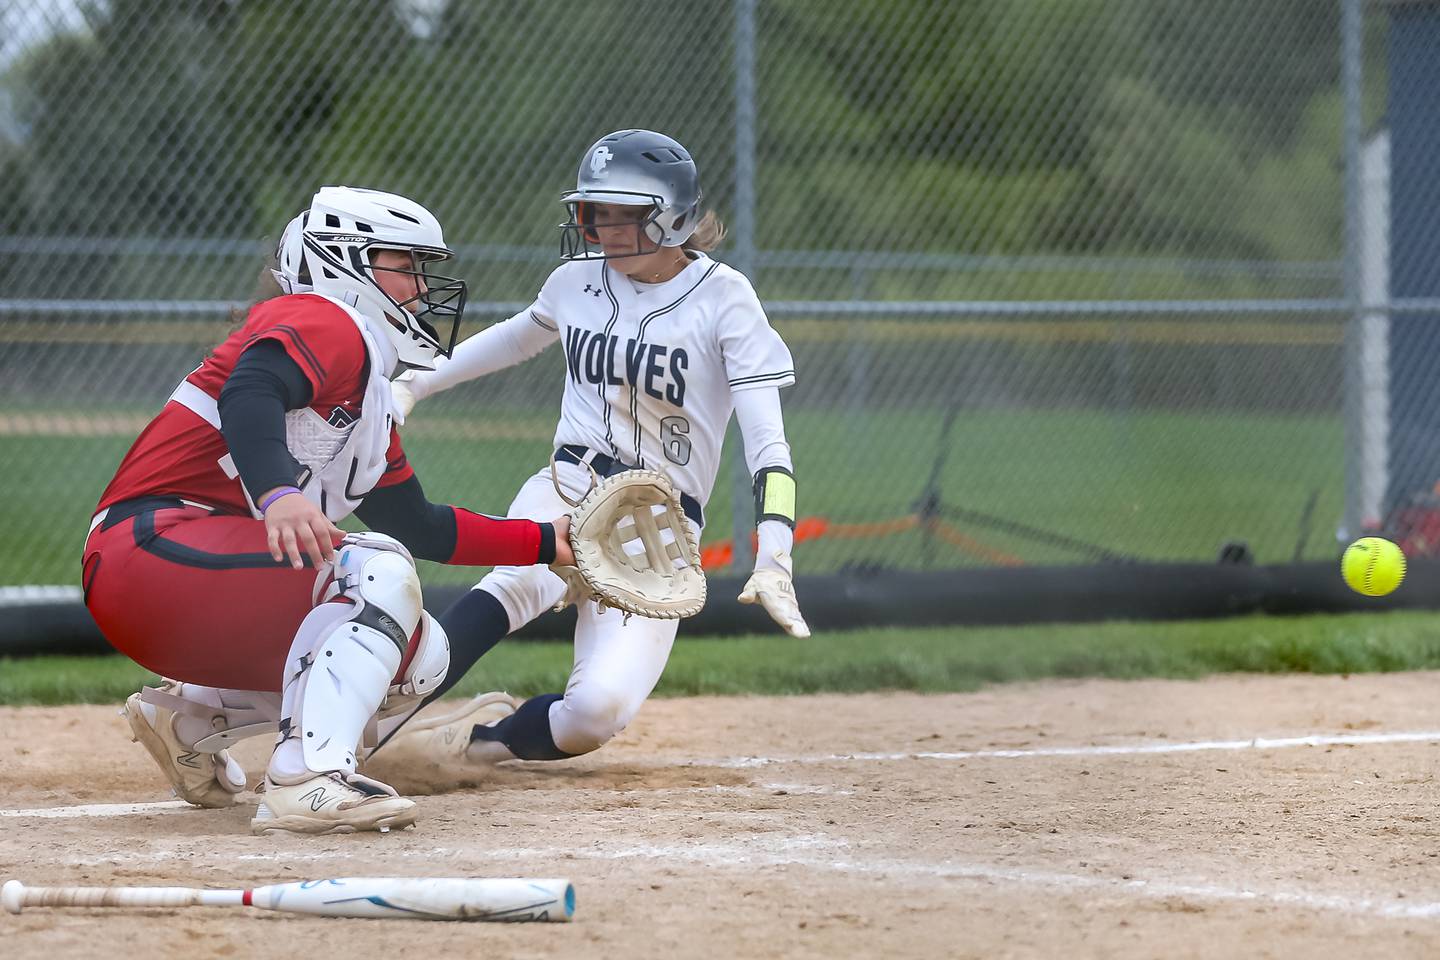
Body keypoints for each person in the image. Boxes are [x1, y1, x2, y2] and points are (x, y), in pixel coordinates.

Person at [82, 185, 575, 835]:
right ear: (344, 261)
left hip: (169, 584)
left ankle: (195, 717)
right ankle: (306, 777)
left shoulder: (357, 382)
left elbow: (418, 522)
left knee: (420, 654)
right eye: (404, 265)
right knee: (374, 572)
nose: (421, 289)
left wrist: (547, 543)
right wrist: (280, 494)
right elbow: (251, 387)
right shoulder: (326, 319)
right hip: (148, 550)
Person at [366, 129, 808, 774]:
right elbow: (513, 341)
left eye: (629, 213)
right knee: (513, 583)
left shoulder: (725, 298)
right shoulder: (576, 282)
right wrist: (412, 384)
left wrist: (776, 552)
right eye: (597, 212)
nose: (607, 228)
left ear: (676, 214)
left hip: (658, 528)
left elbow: (768, 440)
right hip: (569, 487)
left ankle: (469, 746)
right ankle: (348, 728)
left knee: (596, 713)